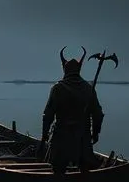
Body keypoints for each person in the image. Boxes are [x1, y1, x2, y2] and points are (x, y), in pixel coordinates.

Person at [38, 46, 104, 174]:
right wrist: (95, 133)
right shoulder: (88, 89)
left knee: (58, 171)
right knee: (85, 171)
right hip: (83, 137)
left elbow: (48, 115)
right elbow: (98, 114)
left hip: (61, 137)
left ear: (64, 69)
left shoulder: (58, 88)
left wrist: (44, 136)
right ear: (79, 70)